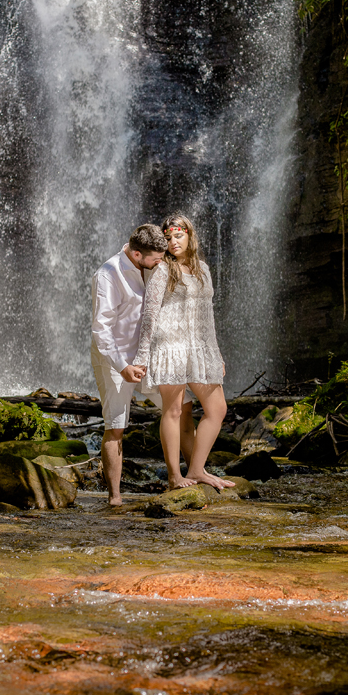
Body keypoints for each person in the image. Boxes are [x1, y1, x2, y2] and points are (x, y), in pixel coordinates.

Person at [132, 215, 235, 491]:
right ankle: (174, 476)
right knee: (174, 410)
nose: (173, 242)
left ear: (189, 235)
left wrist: (217, 354)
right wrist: (142, 356)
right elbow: (150, 314)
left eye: (178, 236)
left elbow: (207, 316)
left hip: (199, 347)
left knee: (217, 409)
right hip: (170, 346)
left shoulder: (203, 269)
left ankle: (197, 470)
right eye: (167, 238)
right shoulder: (163, 269)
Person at [91, 224, 182, 506]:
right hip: (115, 360)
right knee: (116, 426)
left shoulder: (152, 265)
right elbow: (101, 330)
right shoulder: (109, 274)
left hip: (148, 357)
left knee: (181, 406)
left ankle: (183, 476)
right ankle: (115, 499)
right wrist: (122, 366)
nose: (161, 263)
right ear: (137, 253)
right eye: (156, 259)